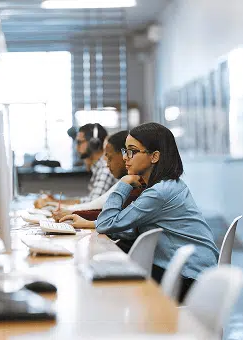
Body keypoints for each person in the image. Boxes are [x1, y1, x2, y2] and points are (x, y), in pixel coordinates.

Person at [81, 122, 219, 302]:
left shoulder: (158, 192)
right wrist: (93, 224)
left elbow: (107, 223)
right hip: (196, 271)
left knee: (111, 284)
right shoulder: (166, 185)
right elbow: (131, 227)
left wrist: (123, 184)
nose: (125, 158)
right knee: (112, 271)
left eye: (132, 151)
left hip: (190, 278)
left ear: (154, 157)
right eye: (125, 151)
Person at [54, 130, 144, 226]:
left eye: (131, 152)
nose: (125, 157)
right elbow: (109, 214)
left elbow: (109, 218)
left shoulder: (141, 186)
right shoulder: (132, 181)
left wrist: (73, 214)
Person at [35, 123, 117, 208]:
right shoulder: (99, 168)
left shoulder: (105, 169)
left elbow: (91, 207)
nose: (76, 147)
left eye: (79, 142)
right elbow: (88, 201)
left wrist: (51, 204)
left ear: (94, 144)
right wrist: (55, 201)